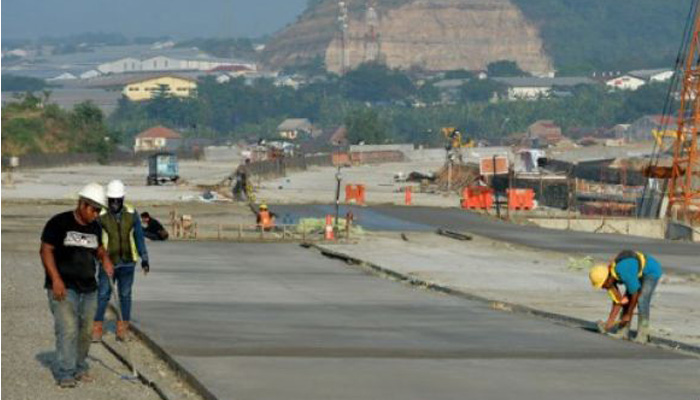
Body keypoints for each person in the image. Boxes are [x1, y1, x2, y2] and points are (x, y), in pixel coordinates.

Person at [40, 183, 114, 388]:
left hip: (89, 287)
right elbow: (46, 250)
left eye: (99, 210)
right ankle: (65, 372)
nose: (96, 214)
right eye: (94, 209)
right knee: (68, 328)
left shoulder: (96, 226)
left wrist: (105, 259)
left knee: (86, 330)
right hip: (64, 286)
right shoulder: (59, 222)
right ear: (82, 204)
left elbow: (98, 249)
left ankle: (79, 366)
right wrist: (55, 279)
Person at [92, 180, 150, 342]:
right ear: (108, 199)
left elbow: (139, 237)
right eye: (112, 200)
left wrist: (144, 258)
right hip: (107, 263)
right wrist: (94, 261)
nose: (115, 204)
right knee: (103, 294)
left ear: (123, 198)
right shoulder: (101, 216)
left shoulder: (132, 213)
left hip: (127, 263)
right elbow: (94, 241)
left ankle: (122, 328)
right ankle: (97, 328)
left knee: (125, 295)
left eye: (118, 200)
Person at [589, 250, 663, 343]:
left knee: (642, 300)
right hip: (634, 273)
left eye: (603, 285)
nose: (604, 288)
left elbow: (635, 293)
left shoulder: (623, 270)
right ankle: (623, 332)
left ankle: (643, 334)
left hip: (650, 271)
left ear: (608, 279)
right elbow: (617, 301)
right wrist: (610, 322)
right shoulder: (610, 280)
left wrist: (628, 314)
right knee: (626, 301)